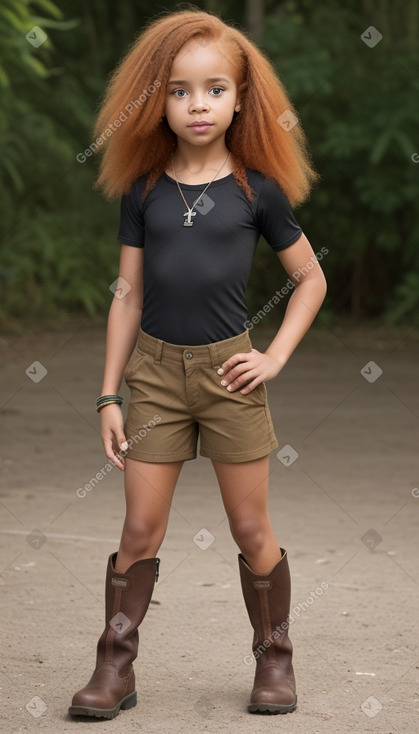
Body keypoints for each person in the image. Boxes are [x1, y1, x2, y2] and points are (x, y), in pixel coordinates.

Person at [69, 8, 327, 720]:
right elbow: (127, 294)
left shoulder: (257, 190)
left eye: (214, 89)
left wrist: (271, 355)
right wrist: (108, 394)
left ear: (241, 96)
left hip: (228, 376)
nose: (197, 104)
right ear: (160, 99)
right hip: (152, 376)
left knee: (250, 530)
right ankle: (113, 668)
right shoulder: (143, 190)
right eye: (179, 91)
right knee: (138, 531)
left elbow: (310, 279)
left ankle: (273, 659)